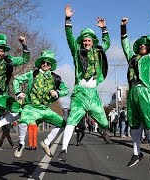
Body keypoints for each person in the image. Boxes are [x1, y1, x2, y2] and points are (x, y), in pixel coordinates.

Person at [58, 4, 111, 162]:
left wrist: (104, 28)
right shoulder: (77, 51)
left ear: (92, 42)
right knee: (72, 120)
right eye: (84, 41)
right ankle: (63, 150)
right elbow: (69, 38)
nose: (87, 43)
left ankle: (103, 131)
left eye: (89, 40)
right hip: (80, 93)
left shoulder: (98, 51)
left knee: (104, 122)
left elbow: (107, 43)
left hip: (93, 94)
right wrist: (68, 19)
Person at [120, 12, 150, 171]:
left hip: (145, 91)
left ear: (149, 48)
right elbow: (125, 47)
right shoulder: (132, 58)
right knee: (134, 125)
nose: (142, 46)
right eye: (140, 45)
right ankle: (136, 153)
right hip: (132, 94)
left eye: (145, 45)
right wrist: (123, 27)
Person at [13, 50, 69, 158]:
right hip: (31, 107)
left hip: (44, 108)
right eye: (43, 62)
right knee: (23, 120)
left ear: (51, 65)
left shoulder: (55, 78)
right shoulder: (33, 74)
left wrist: (57, 92)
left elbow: (65, 90)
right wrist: (18, 92)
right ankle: (21, 144)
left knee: (62, 124)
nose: (45, 64)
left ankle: (46, 142)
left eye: (48, 63)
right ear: (40, 63)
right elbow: (17, 80)